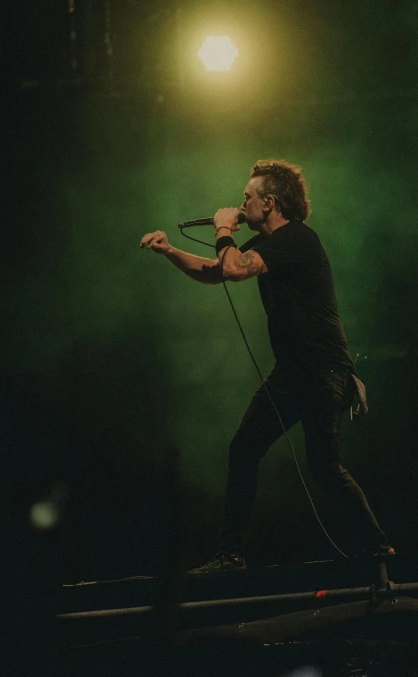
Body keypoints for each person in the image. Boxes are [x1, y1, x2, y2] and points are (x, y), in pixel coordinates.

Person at [140, 160, 392, 572]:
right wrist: (169, 250)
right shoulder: (267, 247)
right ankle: (231, 555)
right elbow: (214, 272)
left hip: (323, 370)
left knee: (324, 467)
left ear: (269, 202)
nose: (240, 205)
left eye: (247, 198)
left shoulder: (299, 239)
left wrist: (222, 229)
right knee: (246, 451)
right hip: (294, 373)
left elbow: (233, 268)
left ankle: (379, 549)